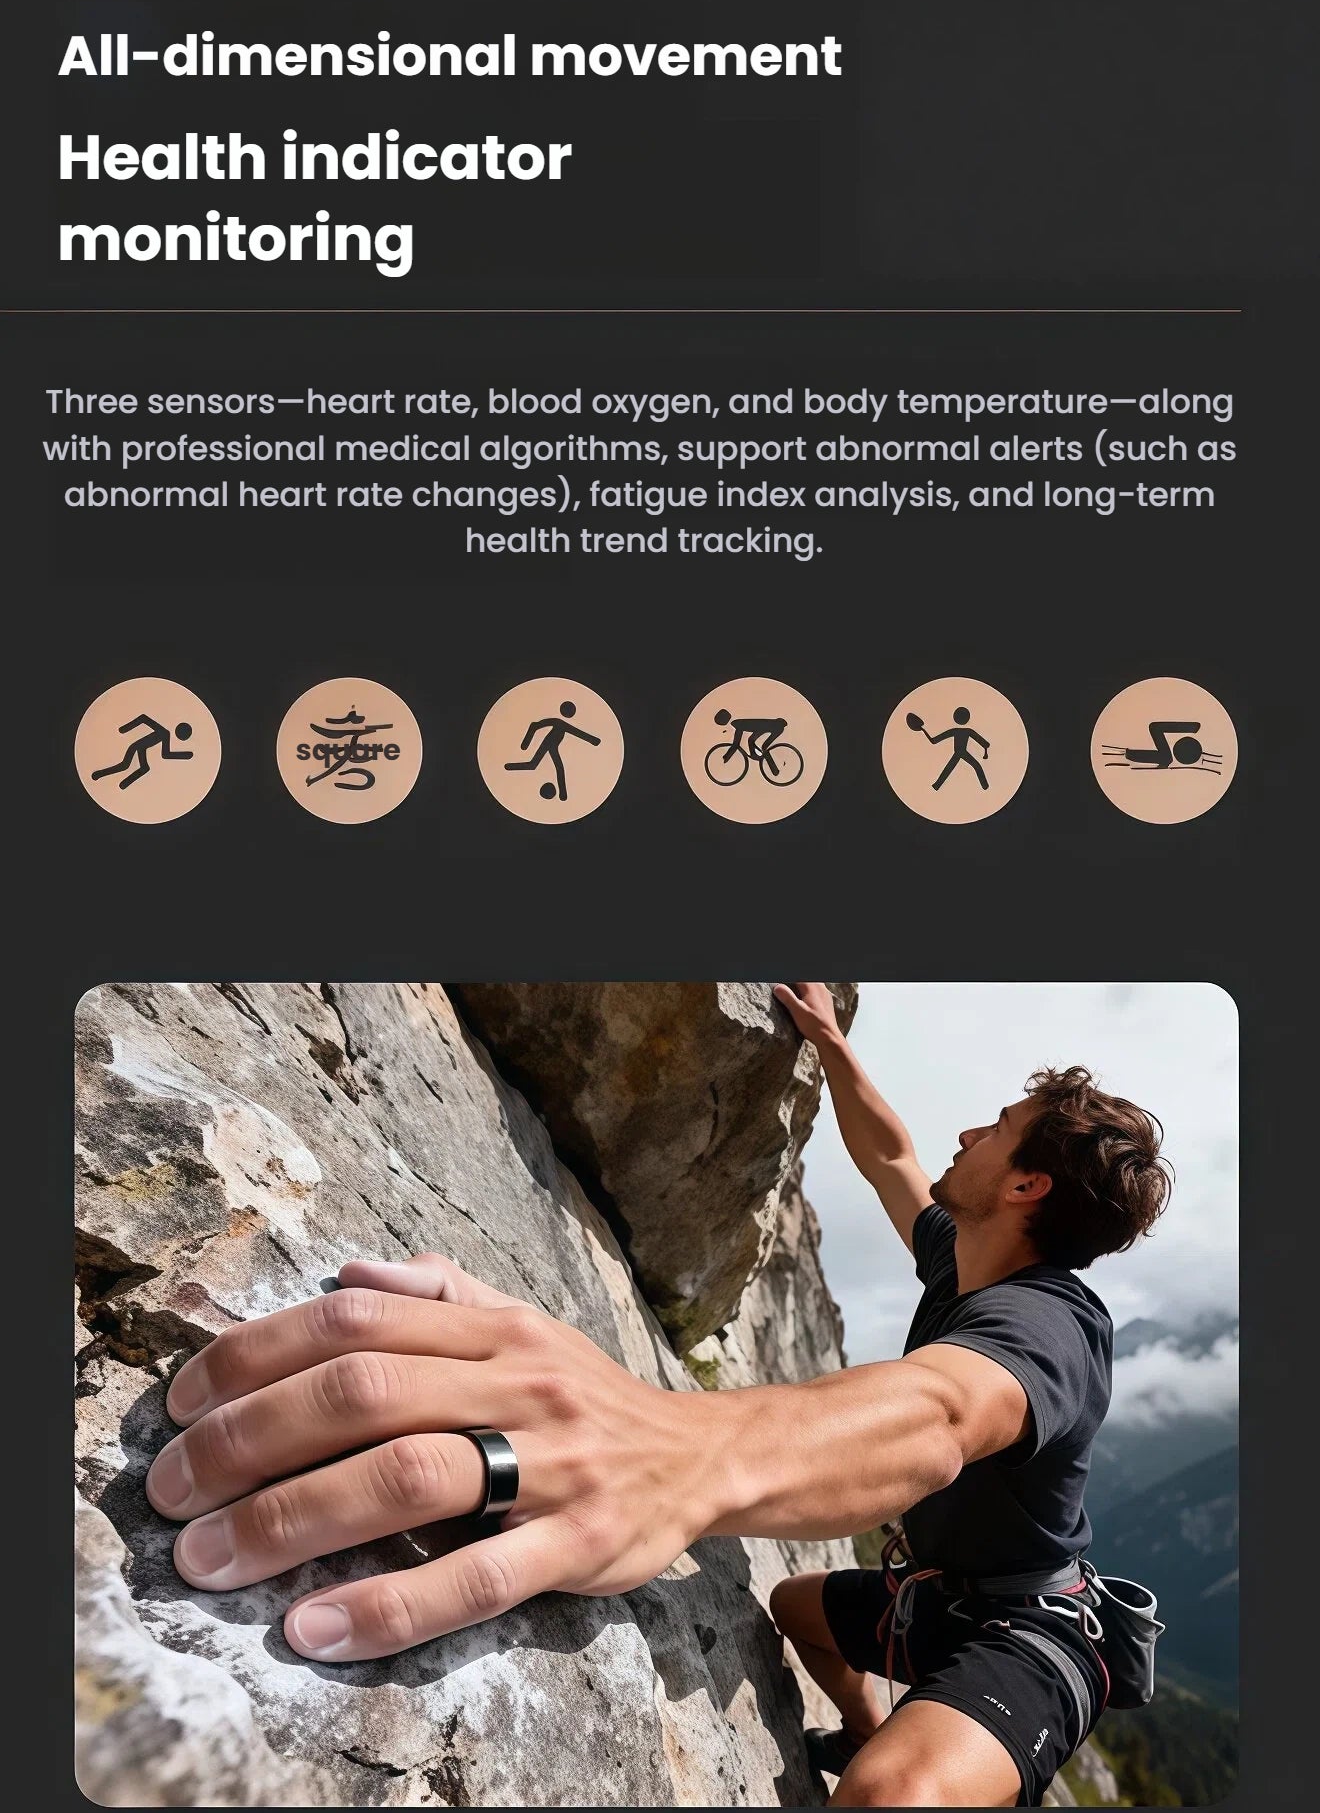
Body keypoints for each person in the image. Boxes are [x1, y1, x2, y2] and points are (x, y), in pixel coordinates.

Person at [144, 983, 1170, 1808]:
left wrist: (685, 1448)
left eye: (996, 1128)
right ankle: (868, 1718)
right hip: (940, 1598)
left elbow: (943, 1413)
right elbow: (892, 1155)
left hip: (1033, 1632)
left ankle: (916, 1753)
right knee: (798, 1606)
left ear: (1028, 1185)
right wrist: (826, 1040)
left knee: (891, 1792)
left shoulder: (1048, 1326)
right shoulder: (965, 1260)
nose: (968, 1134)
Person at [504, 699, 600, 800]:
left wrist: (593, 740)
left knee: (536, 765)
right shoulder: (560, 723)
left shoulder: (560, 723)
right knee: (539, 765)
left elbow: (576, 732)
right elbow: (575, 732)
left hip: (552, 746)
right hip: (548, 744)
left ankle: (509, 767)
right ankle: (509, 767)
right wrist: (593, 740)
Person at [90, 713, 194, 789]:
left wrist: (186, 755)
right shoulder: (165, 732)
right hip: (135, 747)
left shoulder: (166, 733)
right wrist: (124, 729)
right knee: (124, 765)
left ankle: (122, 785)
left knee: (144, 768)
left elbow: (165, 754)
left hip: (142, 748)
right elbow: (143, 718)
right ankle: (100, 774)